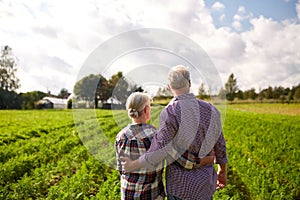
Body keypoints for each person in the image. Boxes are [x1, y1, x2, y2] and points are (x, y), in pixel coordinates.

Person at [121, 65, 228, 200]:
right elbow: (220, 146)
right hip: (204, 185)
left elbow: (159, 150)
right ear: (189, 83)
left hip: (179, 186)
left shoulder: (170, 112)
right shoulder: (211, 110)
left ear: (169, 87)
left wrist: (133, 164)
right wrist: (222, 171)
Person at [115, 92, 165, 200]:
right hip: (151, 194)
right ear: (146, 109)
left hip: (128, 194)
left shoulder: (121, 136)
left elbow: (121, 168)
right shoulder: (155, 136)